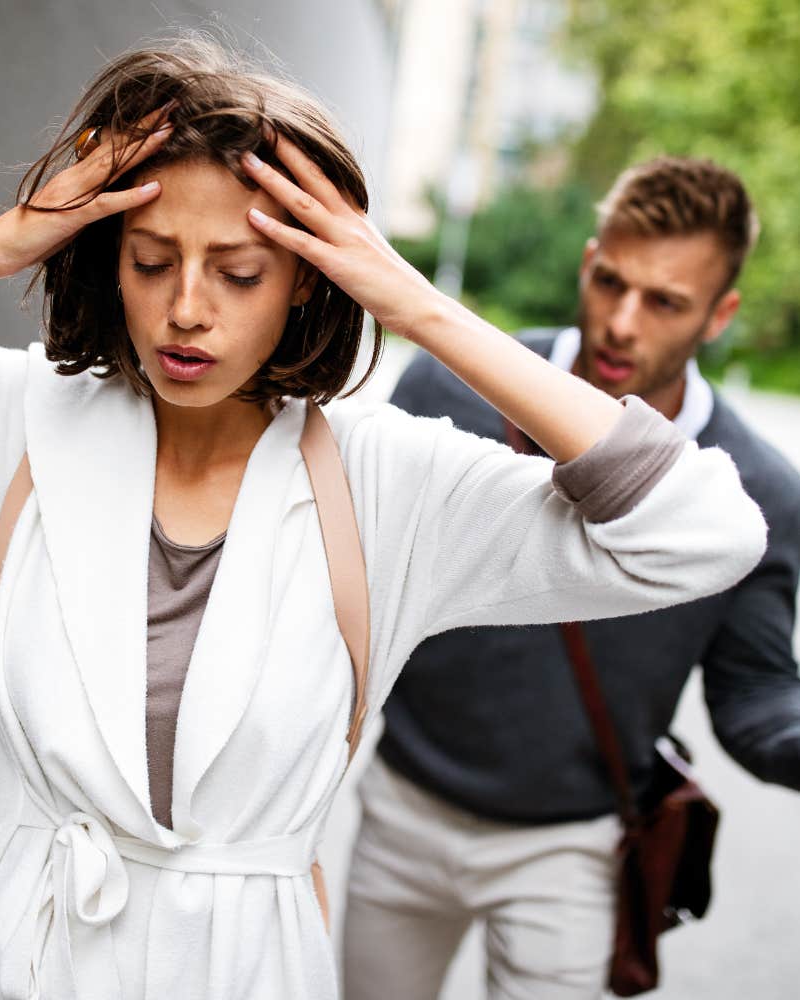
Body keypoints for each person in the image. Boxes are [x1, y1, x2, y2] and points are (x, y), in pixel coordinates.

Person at [0, 34, 766, 1000]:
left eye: (240, 273)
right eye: (151, 260)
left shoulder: (381, 483)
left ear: (306, 279)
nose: (186, 308)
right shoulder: (13, 420)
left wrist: (421, 309)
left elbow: (704, 532)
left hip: (244, 972)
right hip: (14, 961)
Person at [342, 156, 800, 1000]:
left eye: (665, 302)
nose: (622, 323)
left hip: (572, 847)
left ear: (720, 313)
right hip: (404, 807)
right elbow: (352, 567)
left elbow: (757, 689)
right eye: (610, 282)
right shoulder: (451, 384)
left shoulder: (757, 488)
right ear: (588, 261)